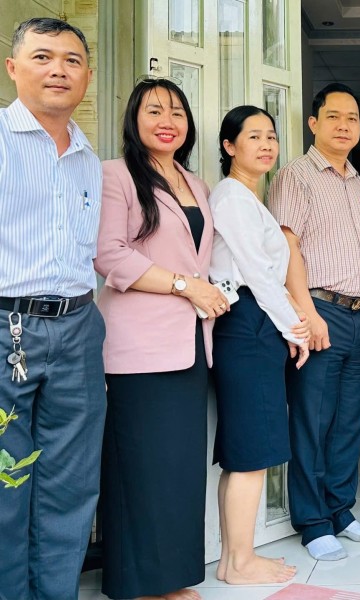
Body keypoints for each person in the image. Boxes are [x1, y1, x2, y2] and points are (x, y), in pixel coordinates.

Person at [94, 77, 228, 600]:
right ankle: (136, 582)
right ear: (134, 119)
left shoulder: (196, 184)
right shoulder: (116, 175)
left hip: (191, 341)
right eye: (153, 110)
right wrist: (185, 286)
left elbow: (202, 258)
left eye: (176, 111)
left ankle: (170, 578)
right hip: (137, 342)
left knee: (178, 466)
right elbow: (108, 253)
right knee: (140, 465)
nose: (167, 121)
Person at [0, 17, 105, 600]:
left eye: (71, 60)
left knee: (71, 482)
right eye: (42, 57)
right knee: (5, 480)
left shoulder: (89, 157)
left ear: (87, 76)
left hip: (78, 327)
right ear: (13, 68)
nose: (58, 70)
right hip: (6, 326)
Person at [269, 83, 360, 561]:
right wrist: (306, 311)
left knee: (350, 421)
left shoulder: (357, 182)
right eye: (334, 116)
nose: (344, 125)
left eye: (352, 118)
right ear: (313, 123)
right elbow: (287, 246)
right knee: (313, 421)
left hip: (359, 314)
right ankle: (313, 521)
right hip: (321, 310)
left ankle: (340, 509)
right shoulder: (295, 176)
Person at [209, 105, 311, 584]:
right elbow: (257, 273)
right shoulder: (232, 197)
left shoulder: (249, 198)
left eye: (271, 135)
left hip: (253, 322)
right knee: (251, 451)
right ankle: (241, 562)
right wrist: (296, 328)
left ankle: (232, 559)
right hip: (249, 322)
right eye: (253, 136)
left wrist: (286, 326)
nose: (267, 144)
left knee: (244, 451)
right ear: (229, 146)